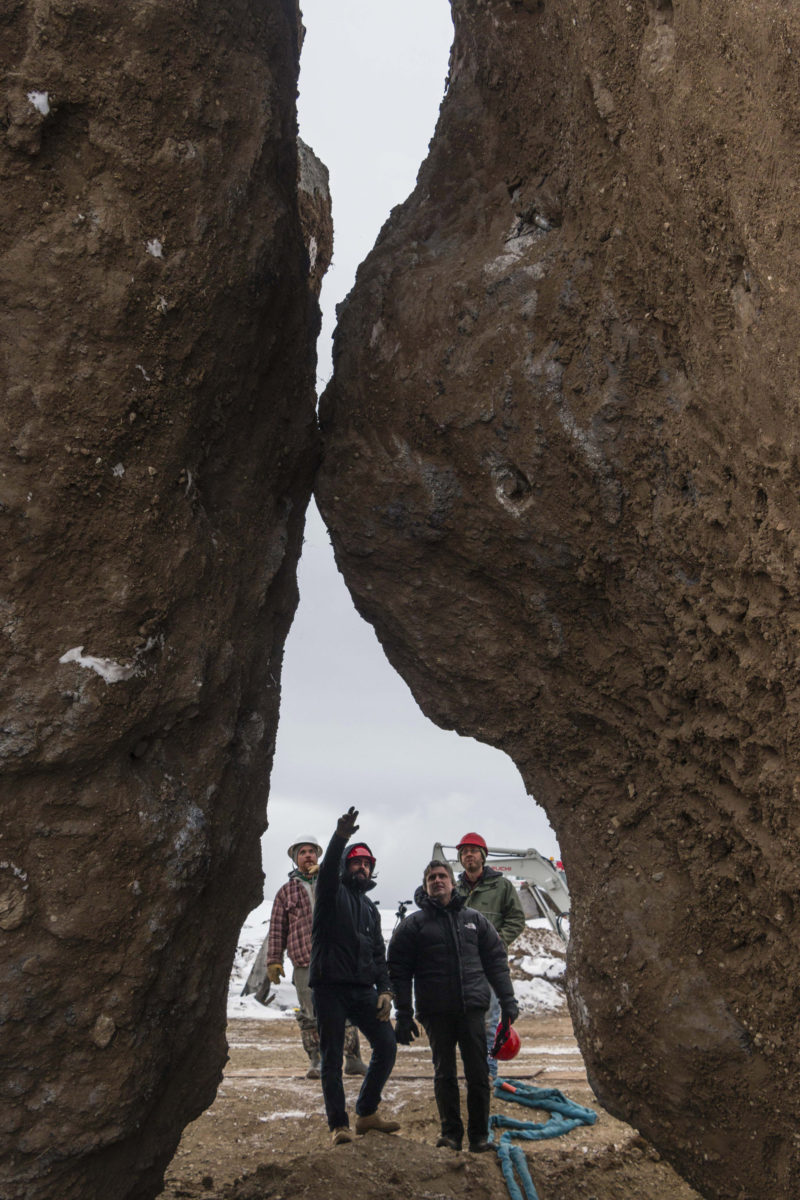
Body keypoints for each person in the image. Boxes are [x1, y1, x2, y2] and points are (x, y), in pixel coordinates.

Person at [388, 858, 519, 1152]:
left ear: (451, 881)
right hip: (436, 1013)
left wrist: (508, 1002)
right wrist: (404, 1013)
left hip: (472, 1008)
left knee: (478, 1073)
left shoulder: (474, 919)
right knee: (444, 1073)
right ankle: (450, 1134)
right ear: (425, 886)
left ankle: (479, 1136)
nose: (437, 880)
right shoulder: (414, 925)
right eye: (431, 877)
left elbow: (497, 961)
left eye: (442, 876)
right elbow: (398, 970)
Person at [310, 807, 399, 1147]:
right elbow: (329, 867)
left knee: (386, 1045)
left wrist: (386, 990)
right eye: (356, 861)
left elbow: (378, 954)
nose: (362, 867)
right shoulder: (331, 893)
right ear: (347, 865)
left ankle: (366, 1112)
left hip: (362, 989)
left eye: (367, 863)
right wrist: (340, 838)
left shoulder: (371, 909)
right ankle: (338, 1125)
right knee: (332, 1058)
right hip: (329, 986)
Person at [244, 837, 367, 1079]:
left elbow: (354, 903)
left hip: (337, 959)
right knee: (310, 1015)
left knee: (345, 1011)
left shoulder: (334, 882)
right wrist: (274, 960)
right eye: (303, 852)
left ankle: (353, 1060)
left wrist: (330, 875)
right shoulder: (285, 892)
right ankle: (316, 1061)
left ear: (319, 856)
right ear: (295, 858)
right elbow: (278, 928)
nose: (308, 855)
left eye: (312, 851)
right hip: (304, 962)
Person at [455, 832, 526, 1079]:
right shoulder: (455, 889)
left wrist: (497, 941)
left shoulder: (501, 886)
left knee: (489, 1019)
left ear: (483, 856)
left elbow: (517, 919)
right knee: (463, 1021)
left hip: (489, 965)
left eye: (473, 851)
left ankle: (489, 1072)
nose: (468, 855)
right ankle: (471, 1071)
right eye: (464, 852)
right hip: (461, 966)